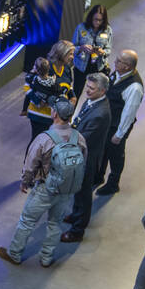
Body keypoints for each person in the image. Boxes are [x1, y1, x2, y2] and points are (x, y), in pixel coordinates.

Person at [0, 99, 87, 268]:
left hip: (45, 188)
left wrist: (25, 182)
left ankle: (14, 254)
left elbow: (30, 164)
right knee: (55, 223)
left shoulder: (44, 139)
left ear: (54, 114)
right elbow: (83, 162)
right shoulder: (79, 138)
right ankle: (46, 257)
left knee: (27, 221)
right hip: (66, 189)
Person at [62, 72, 113, 242]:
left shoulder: (100, 114)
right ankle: (76, 215)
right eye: (87, 87)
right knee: (78, 189)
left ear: (102, 91)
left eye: (91, 88)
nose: (87, 91)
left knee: (84, 193)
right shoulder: (91, 101)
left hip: (87, 158)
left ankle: (77, 230)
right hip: (81, 154)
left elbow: (84, 139)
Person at [96, 50, 144, 196]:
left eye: (118, 61)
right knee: (102, 150)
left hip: (117, 126)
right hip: (107, 122)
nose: (114, 62)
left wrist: (119, 134)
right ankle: (98, 176)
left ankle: (113, 183)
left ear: (128, 66)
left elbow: (129, 113)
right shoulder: (117, 73)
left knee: (115, 155)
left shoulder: (134, 87)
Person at [73, 5, 113, 98]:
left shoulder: (108, 30)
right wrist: (82, 48)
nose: (97, 22)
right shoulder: (81, 28)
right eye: (95, 19)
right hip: (81, 66)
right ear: (91, 17)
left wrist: (102, 52)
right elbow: (73, 48)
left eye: (100, 20)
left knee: (97, 93)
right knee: (76, 93)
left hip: (98, 67)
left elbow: (108, 49)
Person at [23, 57, 59, 144]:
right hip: (48, 116)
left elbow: (27, 87)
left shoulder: (33, 80)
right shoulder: (53, 82)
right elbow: (57, 95)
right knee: (44, 138)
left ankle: (31, 156)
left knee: (34, 138)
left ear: (37, 70)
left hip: (34, 114)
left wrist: (38, 102)